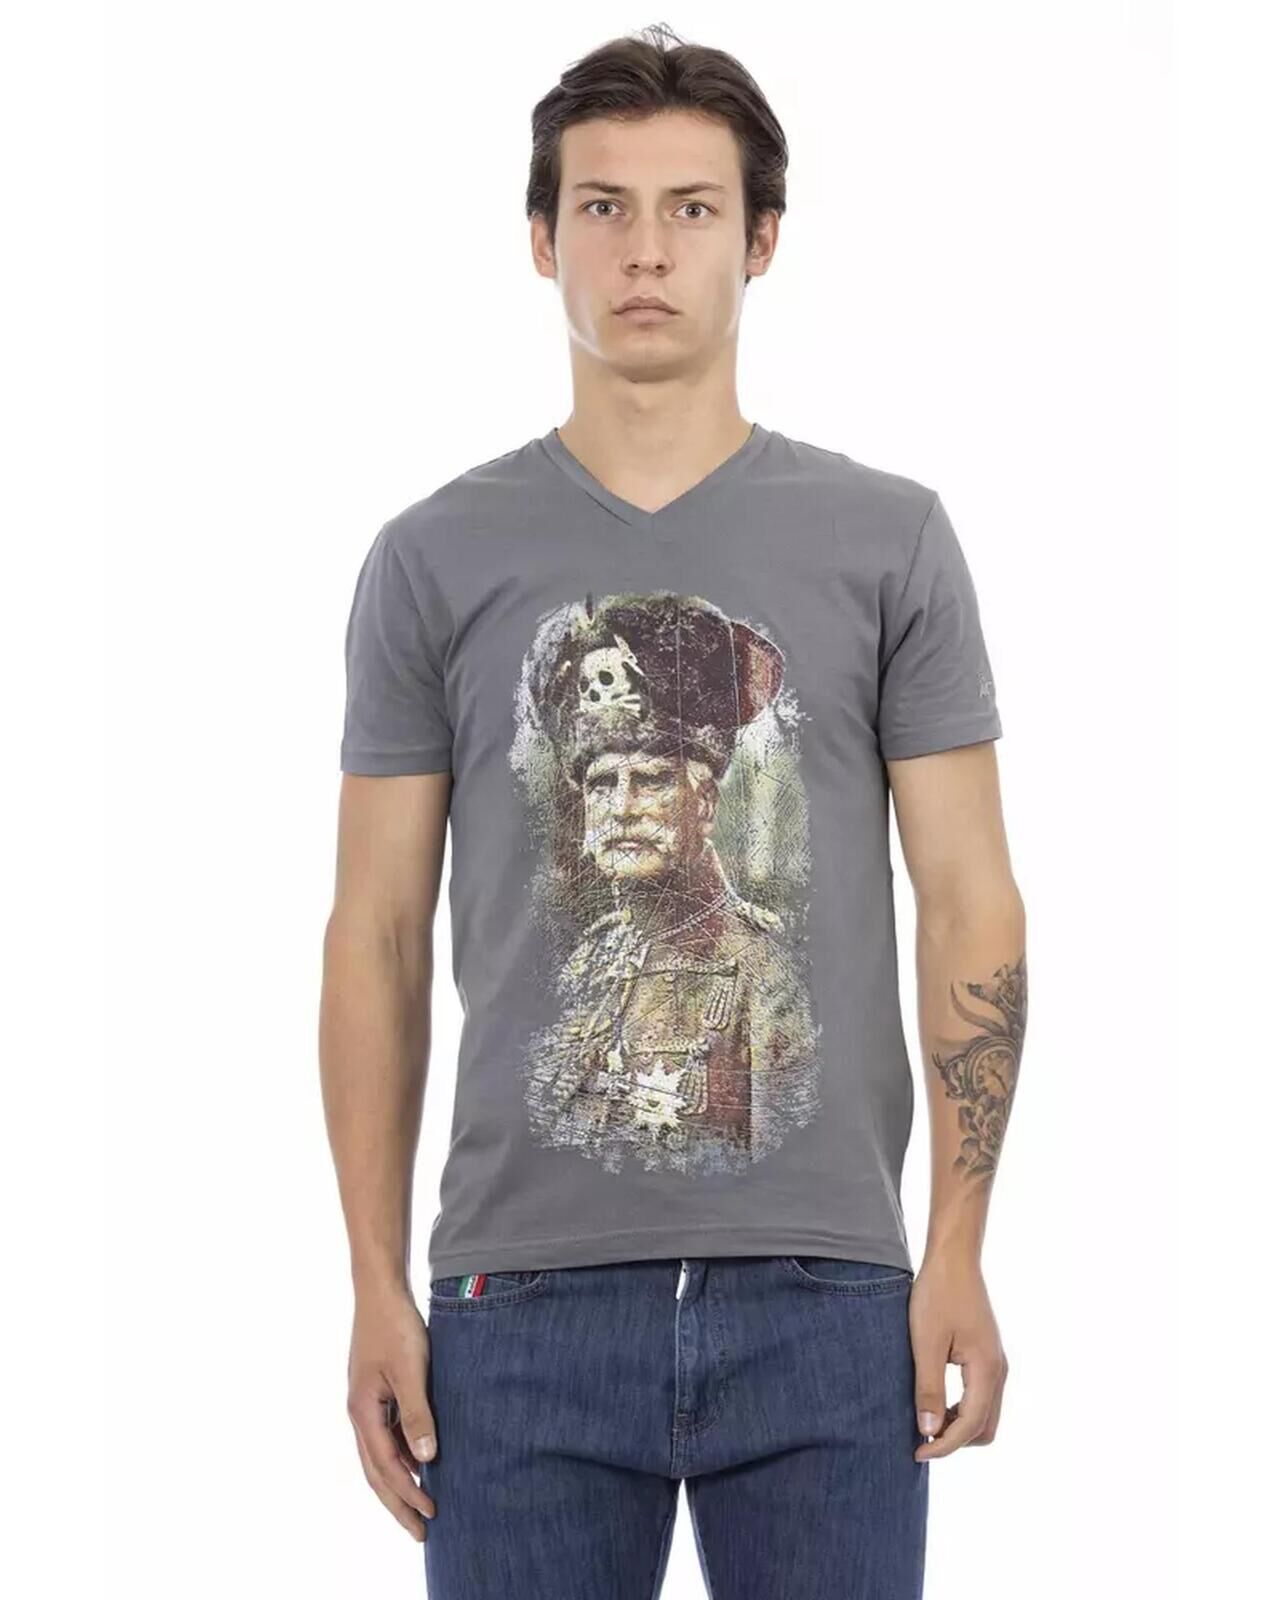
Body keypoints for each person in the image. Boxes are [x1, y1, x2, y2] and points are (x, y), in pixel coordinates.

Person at [319, 22, 1026, 1600]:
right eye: (604, 207)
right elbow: (376, 932)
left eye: (692, 208)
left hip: (828, 1295)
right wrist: (371, 1280)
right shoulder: (432, 558)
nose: (645, 250)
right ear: (542, 237)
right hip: (517, 1305)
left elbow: (971, 901)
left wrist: (960, 1244)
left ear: (761, 239)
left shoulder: (889, 542)